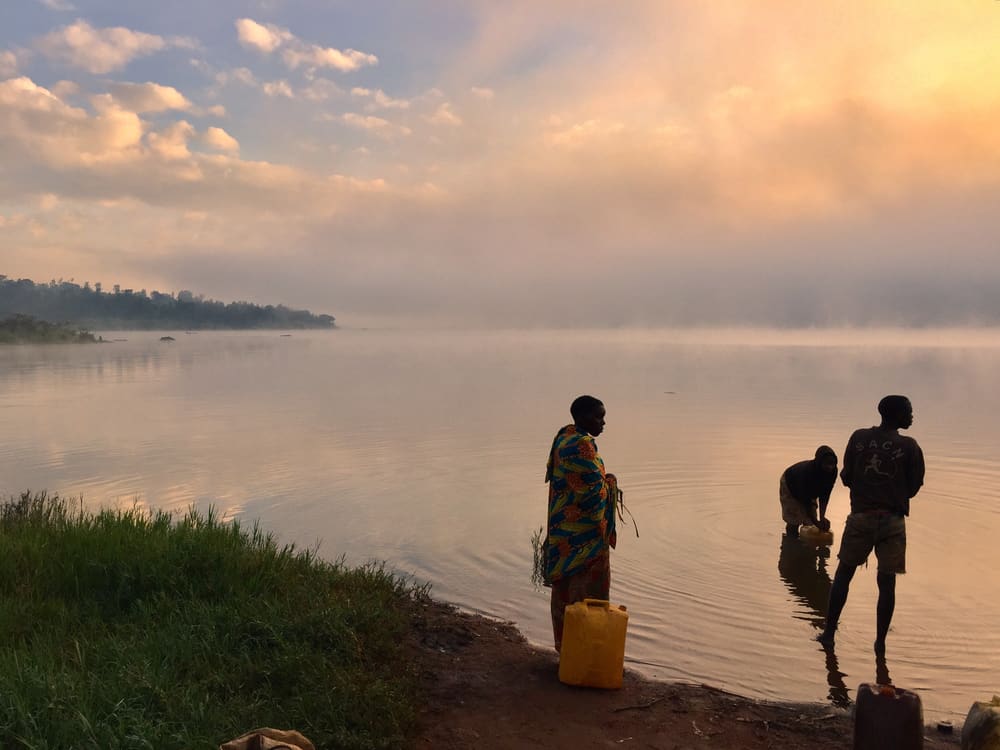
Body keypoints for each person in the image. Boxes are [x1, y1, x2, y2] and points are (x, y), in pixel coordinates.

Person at [817, 395, 925, 654]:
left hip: (861, 518)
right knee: (887, 583)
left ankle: (829, 634)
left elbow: (847, 477)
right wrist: (892, 493)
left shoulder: (859, 438)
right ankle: (880, 644)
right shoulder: (910, 447)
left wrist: (868, 490)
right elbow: (914, 486)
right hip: (893, 521)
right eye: (908, 412)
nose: (912, 416)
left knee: (844, 574)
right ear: (897, 415)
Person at [544, 395, 617, 652]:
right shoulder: (582, 445)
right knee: (587, 596)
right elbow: (593, 494)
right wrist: (610, 484)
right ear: (583, 417)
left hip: (562, 533)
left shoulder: (564, 437)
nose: (603, 422)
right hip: (585, 539)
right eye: (599, 417)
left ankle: (566, 650)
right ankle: (584, 652)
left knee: (565, 593)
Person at [779, 445, 838, 537]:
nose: (830, 467)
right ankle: (791, 540)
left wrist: (822, 518)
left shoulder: (833, 472)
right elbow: (806, 501)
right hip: (790, 485)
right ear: (819, 463)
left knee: (810, 524)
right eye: (827, 464)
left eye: (832, 464)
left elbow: (825, 495)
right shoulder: (809, 472)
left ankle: (806, 543)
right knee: (794, 521)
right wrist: (816, 522)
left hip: (809, 491)